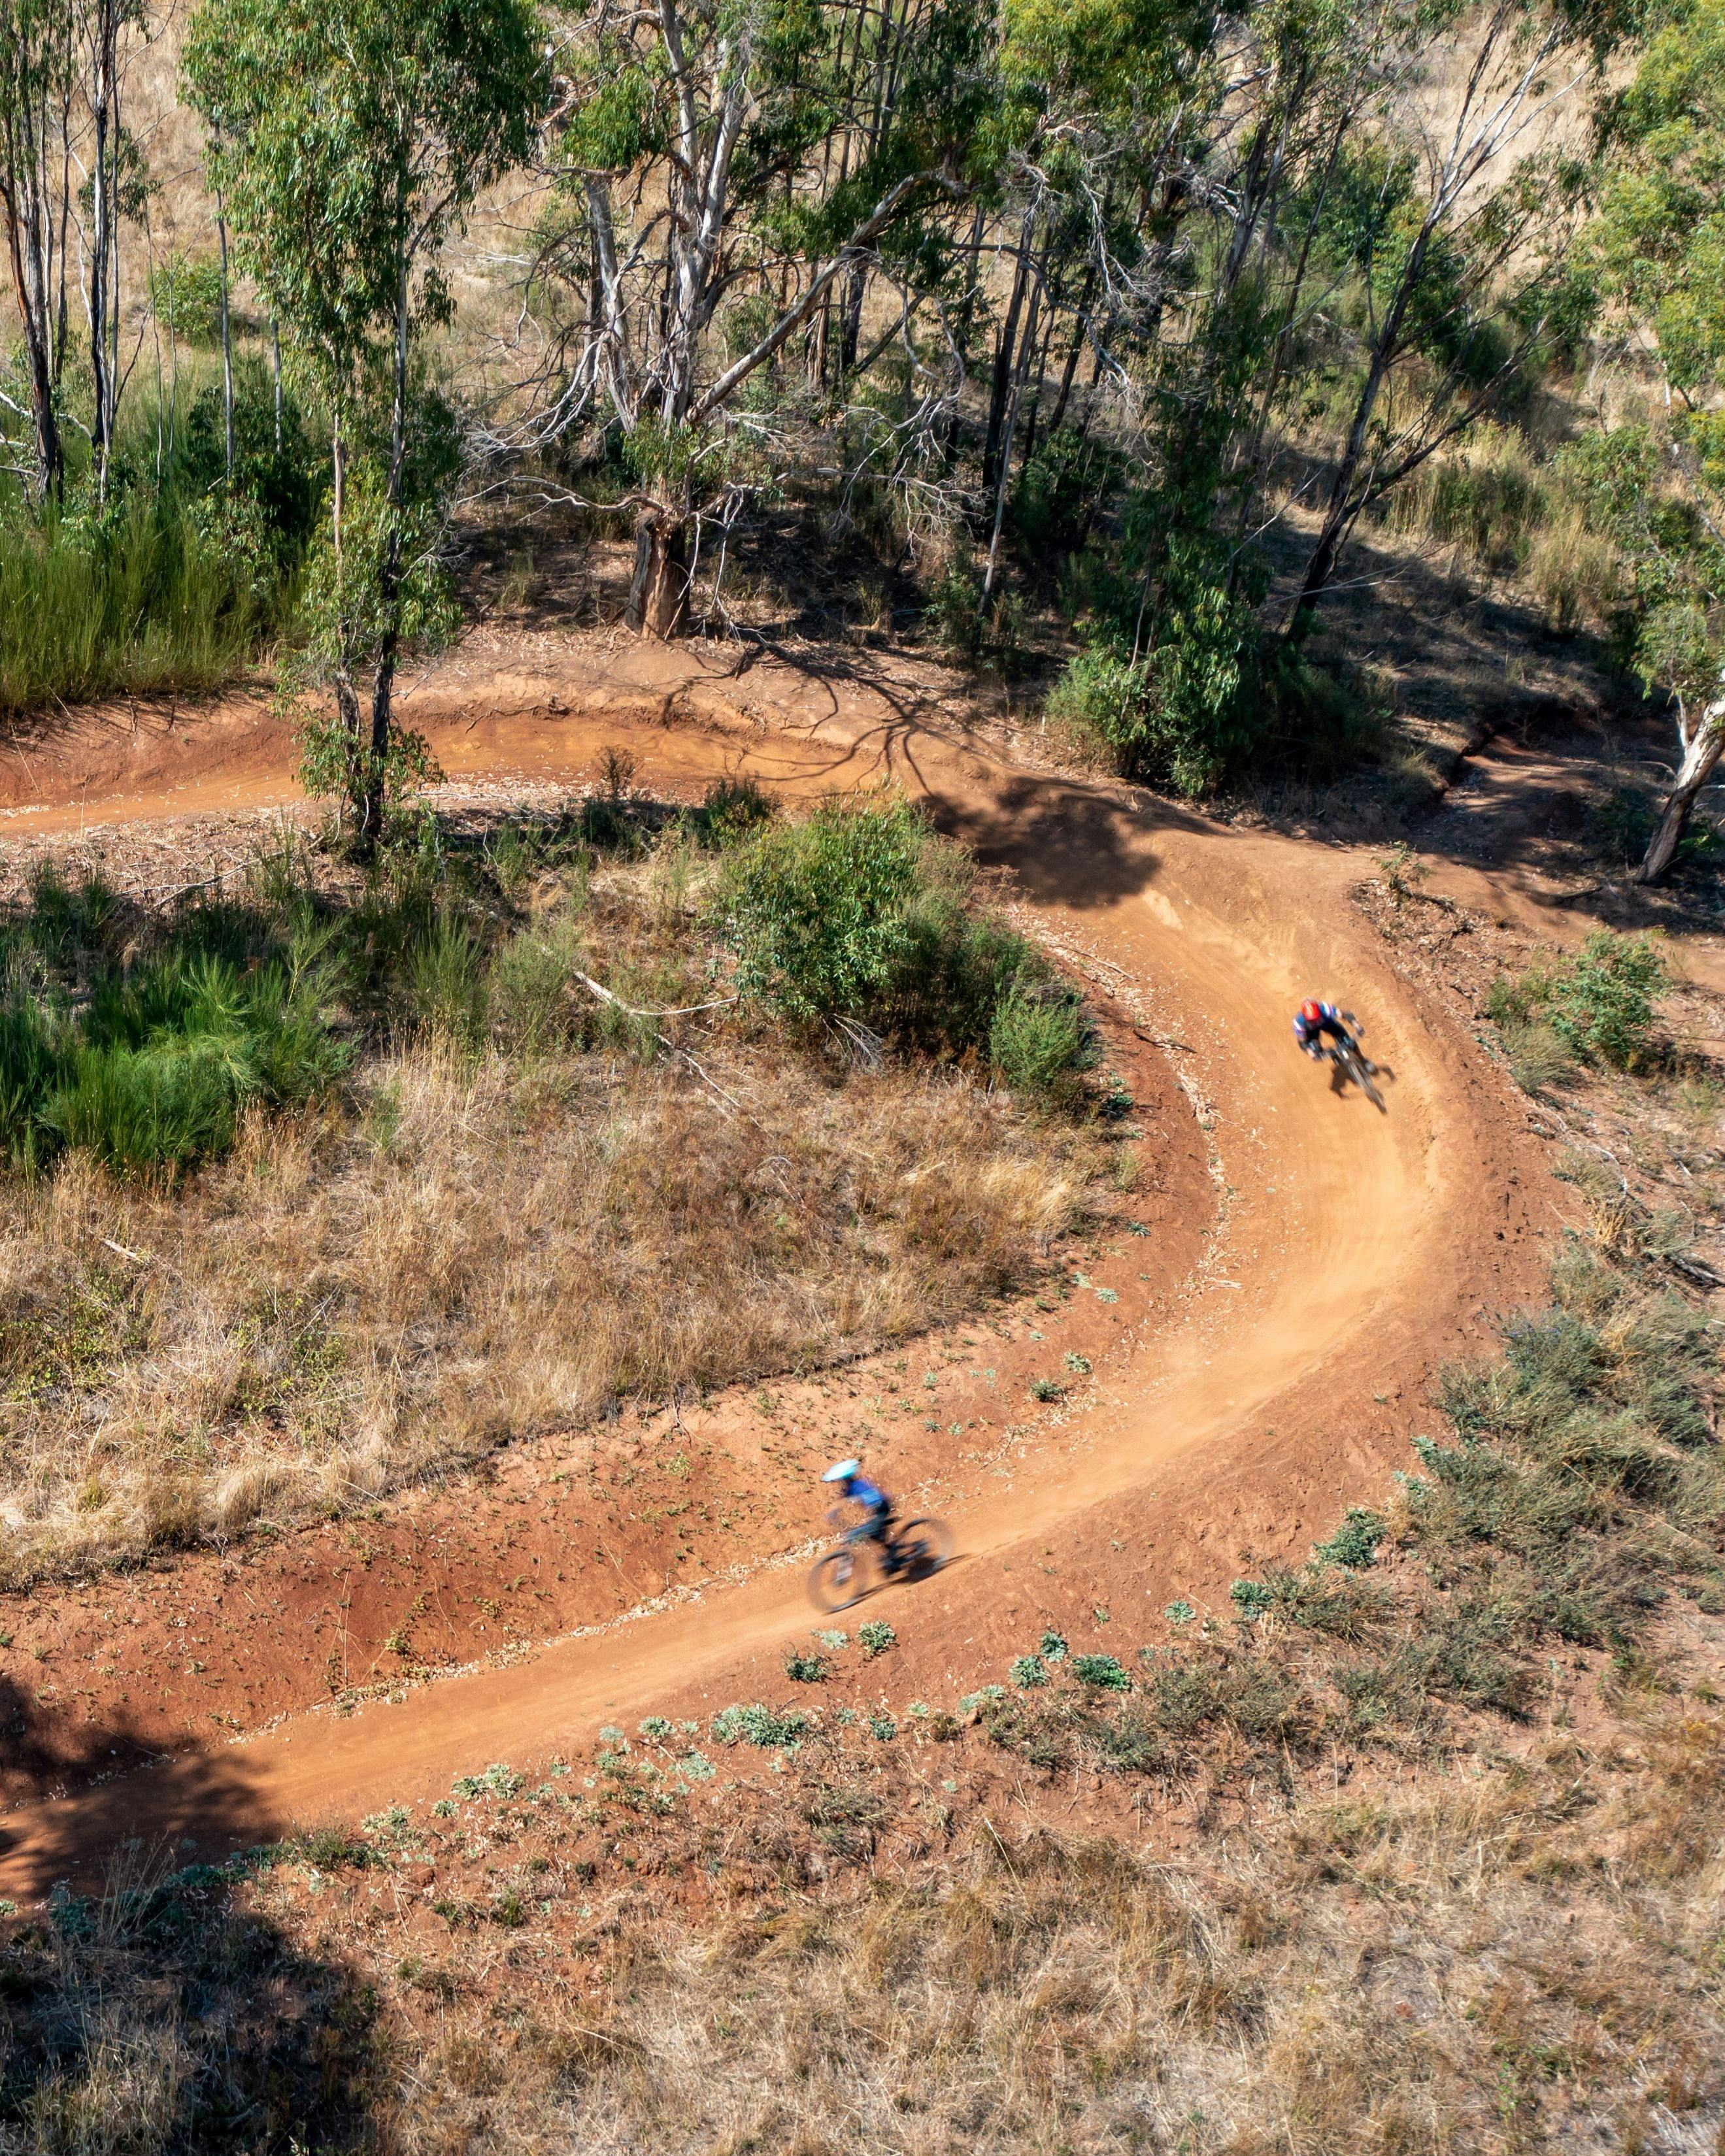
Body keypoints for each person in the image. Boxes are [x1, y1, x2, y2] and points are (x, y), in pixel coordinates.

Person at [822, 1458, 897, 1568]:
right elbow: (840, 1502)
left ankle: (893, 1559)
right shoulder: (852, 1487)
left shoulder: (856, 1486)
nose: (840, 1482)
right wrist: (831, 1514)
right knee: (875, 1535)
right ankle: (892, 1554)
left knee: (864, 1532)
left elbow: (874, 1500)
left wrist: (831, 1515)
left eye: (841, 1479)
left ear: (845, 1478)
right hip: (879, 1508)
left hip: (881, 1508)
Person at [1294, 999, 1373, 1085]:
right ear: (1304, 1017)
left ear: (1319, 1011)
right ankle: (1333, 1054)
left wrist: (1357, 1025)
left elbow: (1344, 1014)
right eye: (1311, 1020)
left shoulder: (1324, 1009)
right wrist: (1310, 1052)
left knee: (1350, 1043)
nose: (1315, 1021)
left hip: (1329, 1024)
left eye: (1316, 1018)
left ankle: (1363, 1060)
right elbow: (1302, 1042)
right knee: (1316, 1050)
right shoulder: (1299, 1023)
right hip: (1311, 1033)